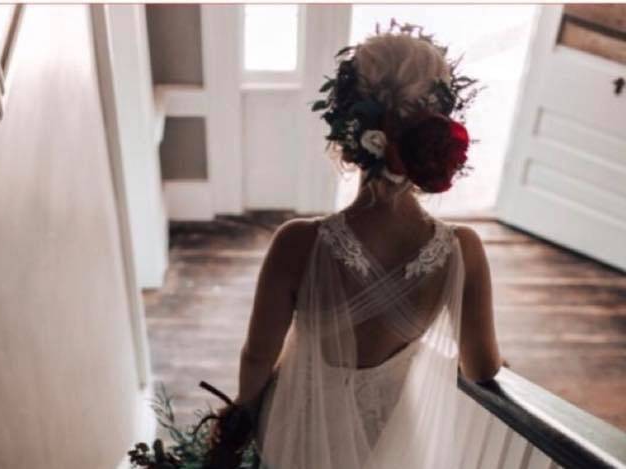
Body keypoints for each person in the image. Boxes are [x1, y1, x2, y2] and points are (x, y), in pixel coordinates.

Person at [214, 20, 502, 469]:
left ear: (347, 139)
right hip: (393, 435)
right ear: (441, 134)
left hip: (301, 422)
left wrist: (241, 416)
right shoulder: (462, 251)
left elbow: (257, 354)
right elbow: (482, 368)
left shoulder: (297, 243)